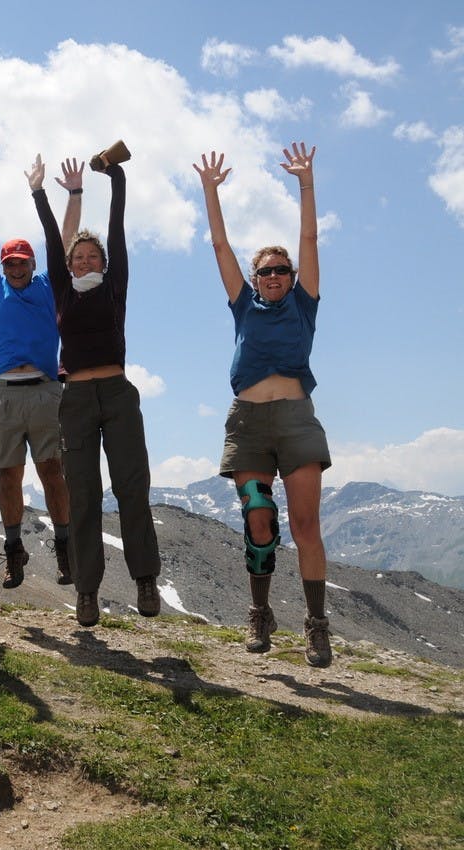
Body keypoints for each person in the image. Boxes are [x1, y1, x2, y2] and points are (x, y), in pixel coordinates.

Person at [193, 143, 332, 667]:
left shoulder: (304, 304)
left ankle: (316, 625)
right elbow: (220, 245)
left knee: (305, 527)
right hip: (248, 423)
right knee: (258, 518)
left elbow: (309, 238)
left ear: (292, 277)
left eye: (282, 270)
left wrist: (306, 184)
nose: (274, 276)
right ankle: (260, 613)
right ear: (255, 279)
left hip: (296, 421)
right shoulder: (242, 304)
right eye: (266, 271)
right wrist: (210, 190)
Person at [33, 148, 161, 627]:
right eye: (78, 257)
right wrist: (39, 192)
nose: (85, 261)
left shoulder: (114, 286)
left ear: (104, 263)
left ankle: (145, 580)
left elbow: (117, 227)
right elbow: (51, 240)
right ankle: (87, 592)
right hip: (77, 400)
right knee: (83, 496)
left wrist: (116, 178)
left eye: (93, 256)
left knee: (132, 488)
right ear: (69, 265)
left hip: (118, 394)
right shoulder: (62, 291)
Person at [0, 158, 81, 588]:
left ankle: (65, 549)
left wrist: (74, 194)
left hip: (46, 392)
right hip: (4, 395)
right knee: (8, 476)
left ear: (33, 264)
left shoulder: (49, 285)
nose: (16, 269)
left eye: (22, 263)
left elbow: (65, 239)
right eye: (10, 263)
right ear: (3, 266)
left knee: (52, 473)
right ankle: (14, 551)